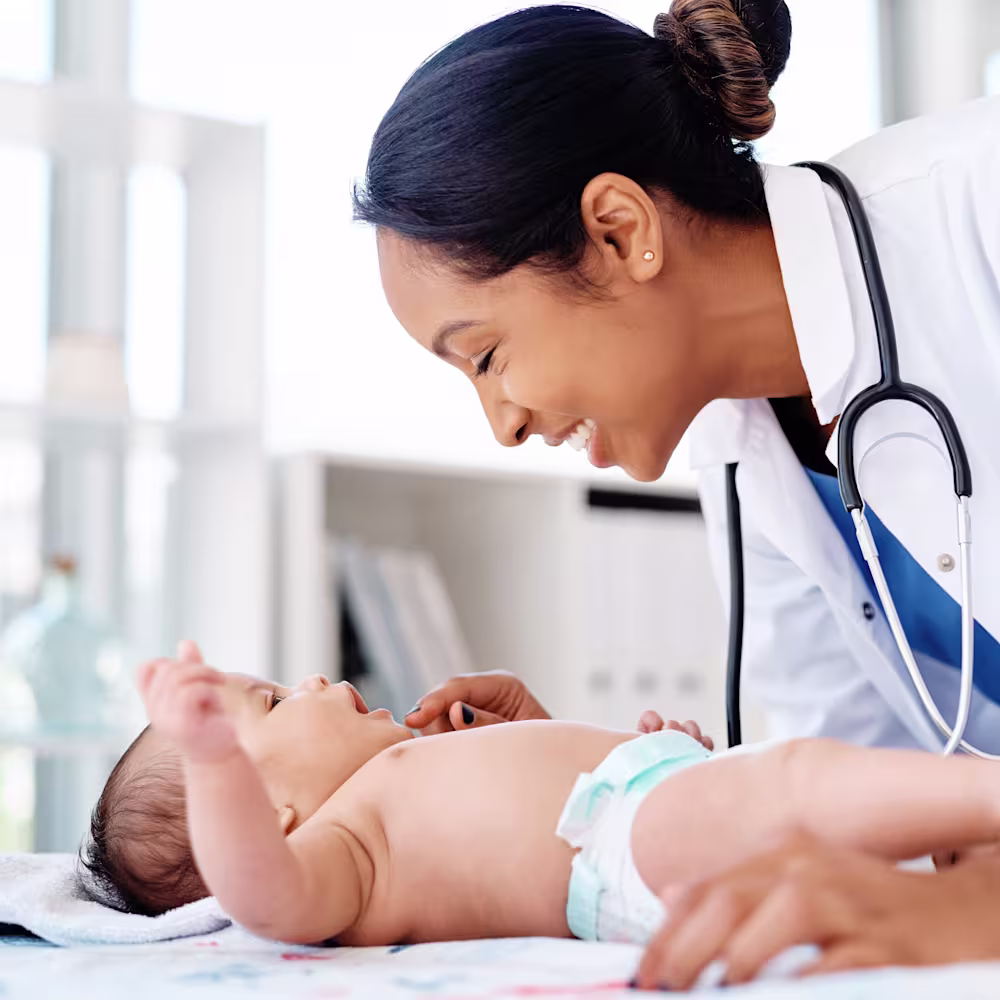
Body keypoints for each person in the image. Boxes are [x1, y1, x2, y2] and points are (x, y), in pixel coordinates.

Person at [353, 0, 1000, 979]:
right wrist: (585, 789)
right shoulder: (746, 461)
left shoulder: (976, 210)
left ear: (619, 231)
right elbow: (854, 814)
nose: (504, 424)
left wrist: (975, 907)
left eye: (484, 356)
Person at [83, 642, 1000, 977]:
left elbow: (535, 821)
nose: (316, 680)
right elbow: (260, 894)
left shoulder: (400, 780)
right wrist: (214, 765)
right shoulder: (337, 853)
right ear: (271, 813)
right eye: (278, 701)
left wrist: (654, 756)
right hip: (627, 846)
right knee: (799, 780)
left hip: (638, 814)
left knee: (824, 799)